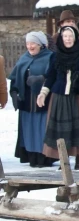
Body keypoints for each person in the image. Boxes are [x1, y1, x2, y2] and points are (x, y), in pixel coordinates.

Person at [37, 26, 79, 169]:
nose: (68, 39)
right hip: (60, 97)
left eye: (70, 36)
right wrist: (43, 93)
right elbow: (51, 76)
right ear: (61, 38)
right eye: (65, 36)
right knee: (62, 130)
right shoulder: (55, 56)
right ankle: (64, 160)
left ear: (75, 38)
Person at [9, 32, 55, 167]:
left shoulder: (50, 57)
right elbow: (14, 78)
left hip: (43, 99)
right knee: (29, 130)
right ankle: (31, 157)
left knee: (41, 130)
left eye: (33, 43)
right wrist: (14, 93)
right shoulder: (24, 58)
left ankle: (44, 158)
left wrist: (41, 79)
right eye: (28, 43)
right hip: (26, 101)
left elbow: (54, 76)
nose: (30, 46)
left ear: (40, 45)